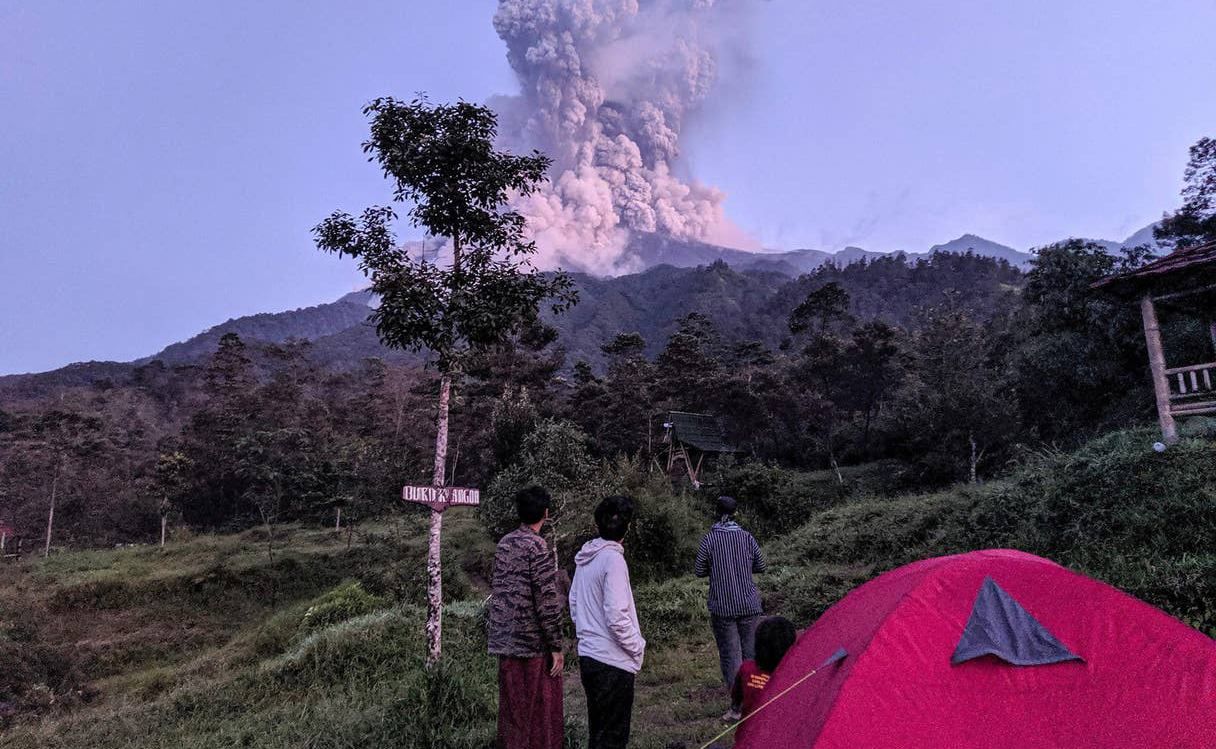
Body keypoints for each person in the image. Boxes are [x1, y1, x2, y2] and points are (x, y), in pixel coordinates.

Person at [487, 486, 565, 749]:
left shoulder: (504, 544)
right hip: (531, 646)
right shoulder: (538, 546)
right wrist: (555, 646)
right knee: (540, 715)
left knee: (512, 714)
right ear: (546, 513)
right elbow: (546, 601)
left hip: (505, 642)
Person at [569, 495, 646, 749]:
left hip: (590, 657)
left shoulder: (585, 558)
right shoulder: (613, 560)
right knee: (612, 737)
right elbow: (616, 616)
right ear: (628, 527)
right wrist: (637, 645)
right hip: (612, 661)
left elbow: (574, 604)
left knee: (599, 734)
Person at [694, 495, 767, 722]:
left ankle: (737, 708)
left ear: (717, 513)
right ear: (736, 513)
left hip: (723, 607)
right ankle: (758, 701)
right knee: (752, 656)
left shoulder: (710, 540)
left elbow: (699, 570)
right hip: (749, 604)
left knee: (731, 658)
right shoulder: (746, 537)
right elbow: (761, 565)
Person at [731, 615, 798, 718]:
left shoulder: (746, 669)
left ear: (757, 644)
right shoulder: (796, 677)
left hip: (748, 731)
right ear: (790, 647)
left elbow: (736, 698)